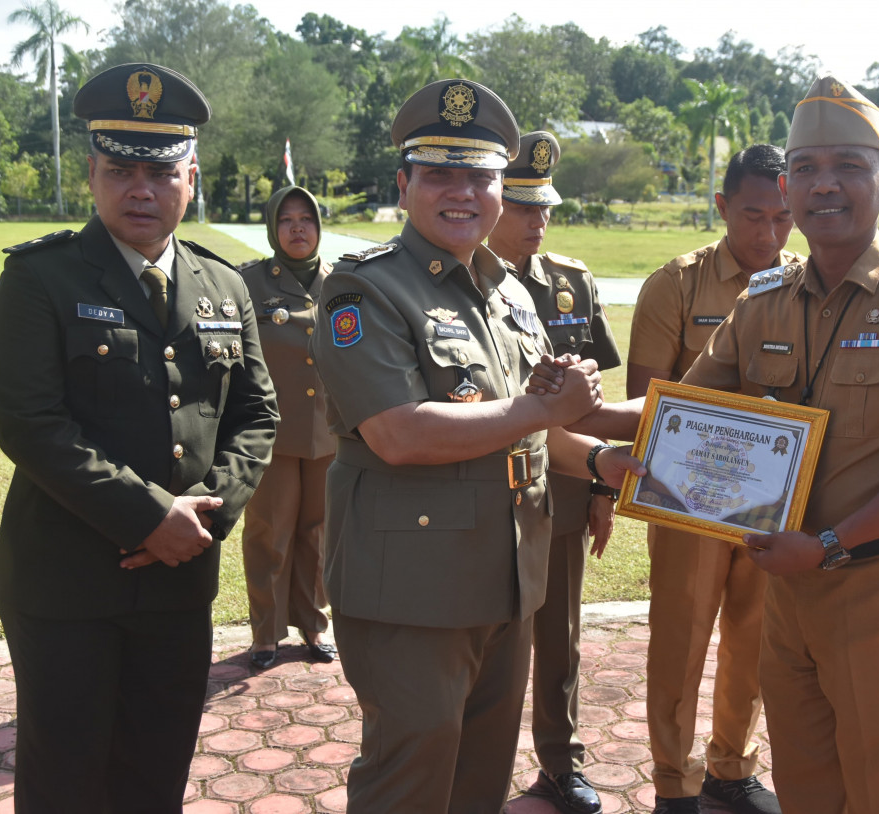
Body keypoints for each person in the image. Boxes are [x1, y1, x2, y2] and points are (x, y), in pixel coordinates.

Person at [552, 77, 879, 814]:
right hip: (791, 588)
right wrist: (583, 410)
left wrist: (827, 544)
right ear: (786, 187)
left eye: (848, 167)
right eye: (807, 169)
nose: (825, 185)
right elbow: (679, 410)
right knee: (805, 785)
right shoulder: (765, 300)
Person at [309, 79, 644, 814]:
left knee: (480, 781)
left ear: (501, 187)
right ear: (404, 185)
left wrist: (605, 455)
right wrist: (538, 406)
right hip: (413, 589)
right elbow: (399, 432)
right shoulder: (363, 291)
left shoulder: (510, 294)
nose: (462, 192)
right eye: (440, 173)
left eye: (481, 176)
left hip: (510, 579)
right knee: (411, 778)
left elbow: (534, 426)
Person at [0, 62, 278, 814]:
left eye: (160, 171)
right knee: (65, 778)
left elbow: (257, 415)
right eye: (119, 170)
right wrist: (152, 516)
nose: (139, 188)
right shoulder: (40, 279)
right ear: (92, 175)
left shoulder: (225, 286)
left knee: (156, 768)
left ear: (191, 178)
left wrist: (205, 516)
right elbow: (30, 423)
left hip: (179, 582)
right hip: (64, 583)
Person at [626, 144, 799, 814]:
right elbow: (647, 398)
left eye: (783, 218)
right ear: (723, 206)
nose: (769, 233)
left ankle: (733, 765)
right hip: (688, 502)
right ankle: (674, 779)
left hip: (771, 504)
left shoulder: (807, 287)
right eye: (753, 215)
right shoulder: (676, 284)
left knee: (755, 640)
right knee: (680, 638)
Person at [488, 131, 623, 814]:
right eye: (521, 207)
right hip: (482, 495)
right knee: (481, 641)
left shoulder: (571, 284)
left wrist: (601, 486)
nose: (537, 221)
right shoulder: (457, 286)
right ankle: (470, 765)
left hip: (562, 485)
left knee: (559, 638)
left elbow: (596, 407)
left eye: (544, 208)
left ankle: (559, 763)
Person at [238, 185, 336, 668]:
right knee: (269, 532)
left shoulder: (344, 283)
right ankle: (266, 633)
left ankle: (315, 625)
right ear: (273, 229)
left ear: (319, 227)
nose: (297, 228)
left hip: (330, 433)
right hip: (271, 433)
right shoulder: (248, 283)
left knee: (320, 535)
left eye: (307, 219)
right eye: (286, 220)